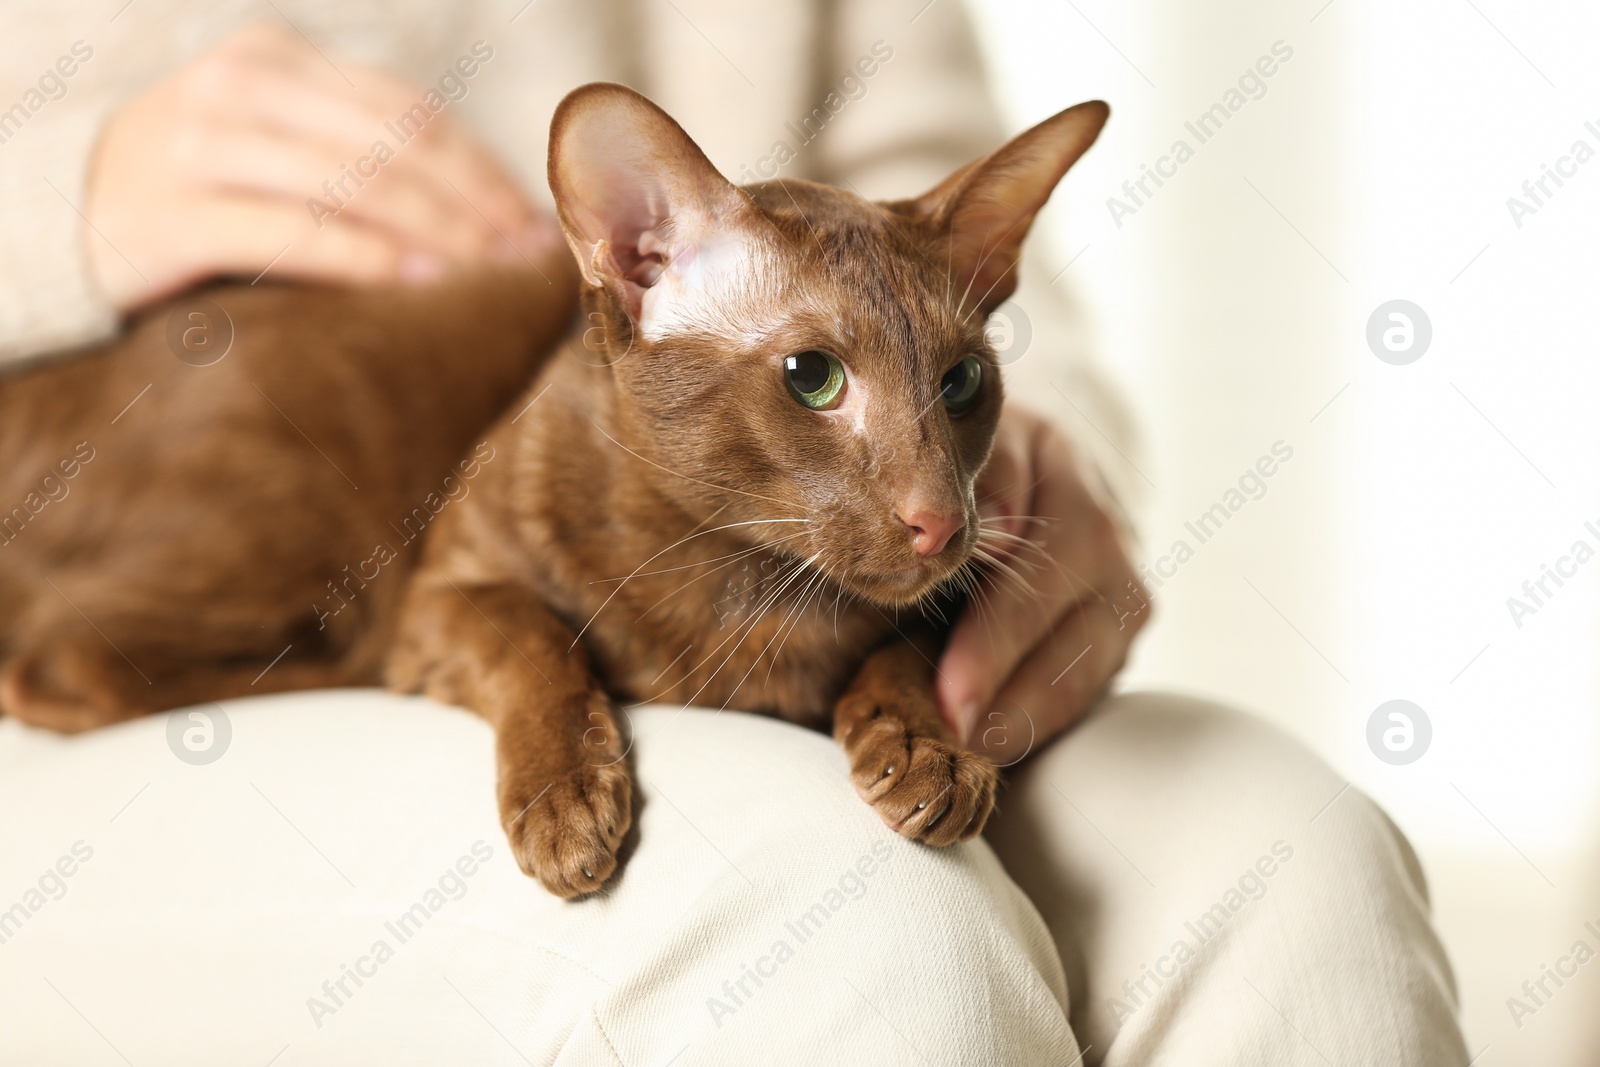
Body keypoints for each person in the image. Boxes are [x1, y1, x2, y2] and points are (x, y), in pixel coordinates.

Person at [0, 2, 1468, 1063]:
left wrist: (1030, 455)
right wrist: (50, 203)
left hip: (776, 536)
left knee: (1300, 871)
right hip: (209, 571)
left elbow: (934, 208)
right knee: (860, 930)